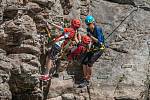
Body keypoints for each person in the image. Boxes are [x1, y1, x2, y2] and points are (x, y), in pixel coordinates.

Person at [79, 15, 105, 88]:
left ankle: (87, 80)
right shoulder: (88, 30)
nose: (89, 26)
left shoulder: (97, 29)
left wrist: (91, 36)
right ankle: (85, 78)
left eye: (90, 24)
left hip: (100, 48)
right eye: (88, 24)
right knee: (84, 61)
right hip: (93, 48)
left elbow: (99, 42)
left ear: (93, 22)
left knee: (89, 63)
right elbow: (89, 40)